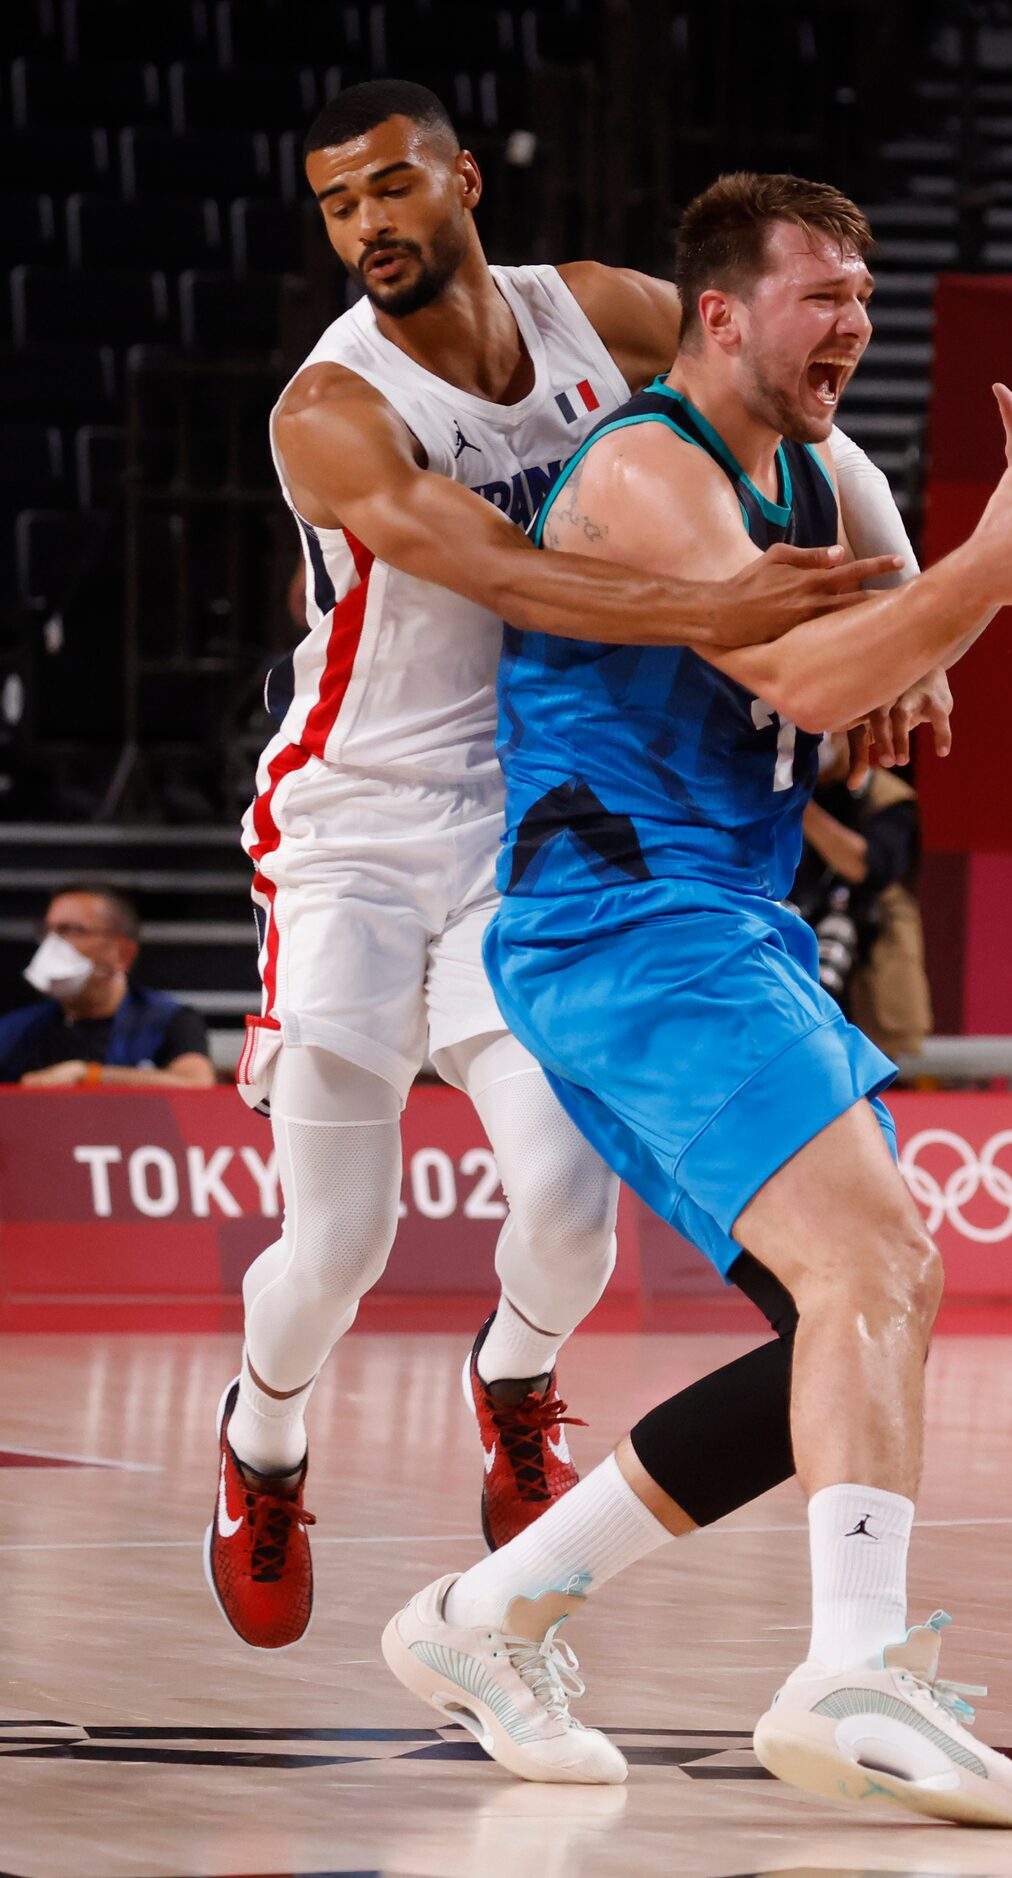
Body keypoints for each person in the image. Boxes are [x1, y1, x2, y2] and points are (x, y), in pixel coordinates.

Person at [382, 171, 1012, 1822]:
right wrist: (972, 576)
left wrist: (925, 649)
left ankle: (488, 1609)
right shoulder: (652, 466)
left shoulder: (796, 476)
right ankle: (850, 1668)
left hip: (712, 916)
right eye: (824, 294)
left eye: (869, 296)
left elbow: (845, 677)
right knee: (874, 1263)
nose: (855, 326)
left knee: (843, 1317)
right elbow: (798, 673)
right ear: (721, 314)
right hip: (624, 922)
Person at [208, 80, 906, 1654]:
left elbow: (800, 408)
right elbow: (512, 568)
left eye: (391, 188)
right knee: (337, 1247)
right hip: (354, 829)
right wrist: (722, 615)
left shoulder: (595, 310)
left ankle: (514, 1383)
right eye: (337, 206)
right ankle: (262, 1443)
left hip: (523, 828)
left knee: (572, 1219)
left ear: (462, 180)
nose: (369, 226)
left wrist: (902, 579)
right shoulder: (333, 409)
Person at [793, 731, 932, 1060]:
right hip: (796, 934)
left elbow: (867, 866)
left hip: (868, 961)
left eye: (828, 734)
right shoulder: (778, 789)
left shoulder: (890, 798)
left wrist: (800, 807)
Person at [0, 883, 215, 1089]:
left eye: (72, 930)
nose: (52, 944)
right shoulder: (18, 1028)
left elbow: (196, 1084)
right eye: (48, 931)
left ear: (123, 954)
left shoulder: (169, 1021)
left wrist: (88, 1075)